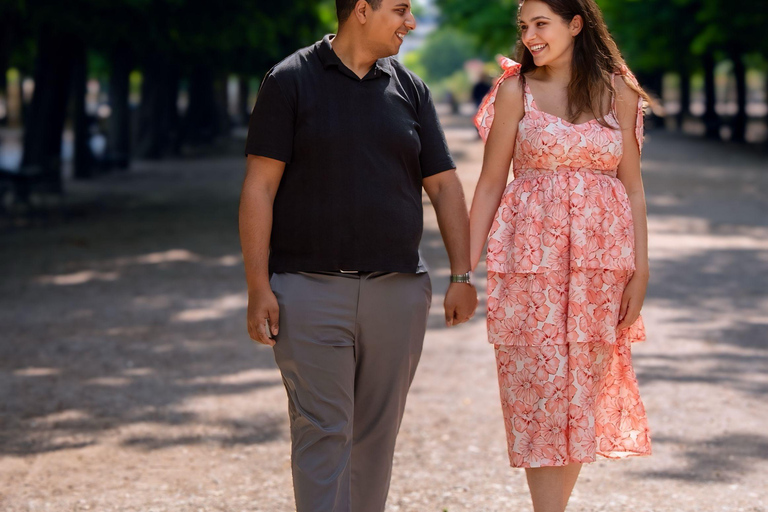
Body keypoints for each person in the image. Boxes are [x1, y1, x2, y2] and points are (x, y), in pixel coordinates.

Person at [239, 0, 478, 510]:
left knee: (375, 437)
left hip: (397, 292)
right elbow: (259, 187)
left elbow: (444, 186)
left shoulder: (411, 89)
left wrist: (463, 273)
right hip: (307, 289)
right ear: (362, 10)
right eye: (400, 10)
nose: (410, 22)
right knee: (323, 431)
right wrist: (259, 287)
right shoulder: (288, 81)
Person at [469, 0, 652, 510]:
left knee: (579, 396)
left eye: (541, 23)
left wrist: (640, 269)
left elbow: (633, 188)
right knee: (538, 392)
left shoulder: (618, 91)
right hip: (530, 265)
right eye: (524, 26)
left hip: (601, 266)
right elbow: (488, 185)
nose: (529, 35)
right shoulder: (515, 91)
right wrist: (464, 268)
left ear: (575, 24)